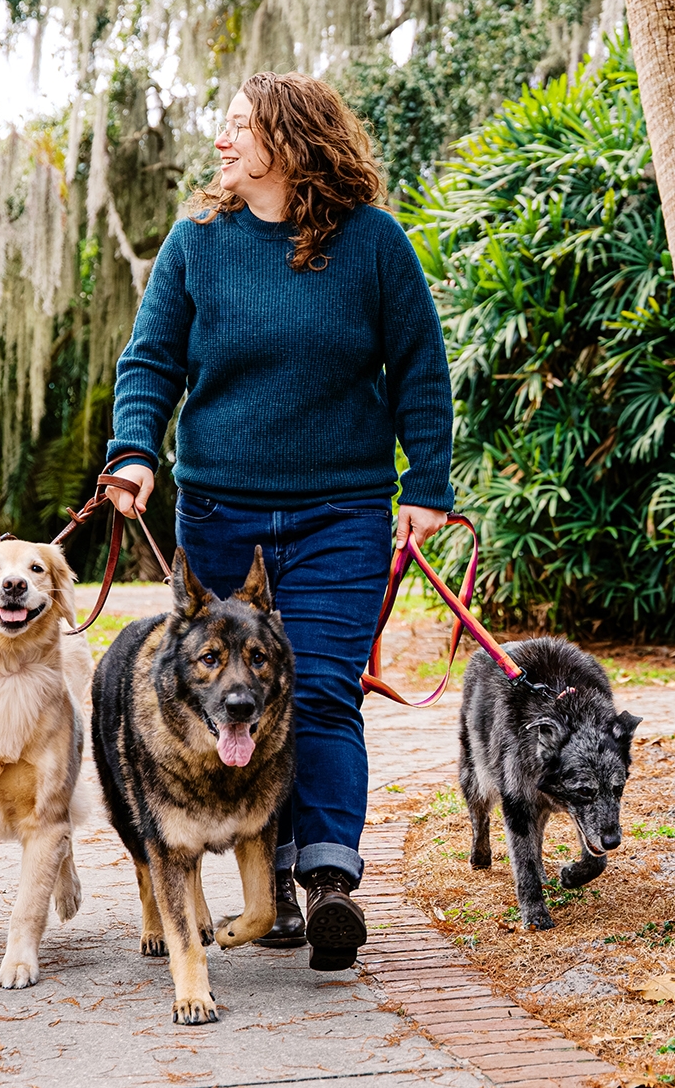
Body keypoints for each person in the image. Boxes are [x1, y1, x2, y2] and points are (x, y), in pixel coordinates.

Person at [105, 71, 454, 971]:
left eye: (238, 127)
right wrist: (134, 451)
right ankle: (276, 874)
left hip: (341, 512)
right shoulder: (199, 242)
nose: (221, 141)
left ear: (292, 140)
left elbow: (421, 368)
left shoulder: (373, 245)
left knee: (327, 688)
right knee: (234, 697)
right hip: (222, 514)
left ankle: (327, 874)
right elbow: (149, 361)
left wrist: (428, 484)